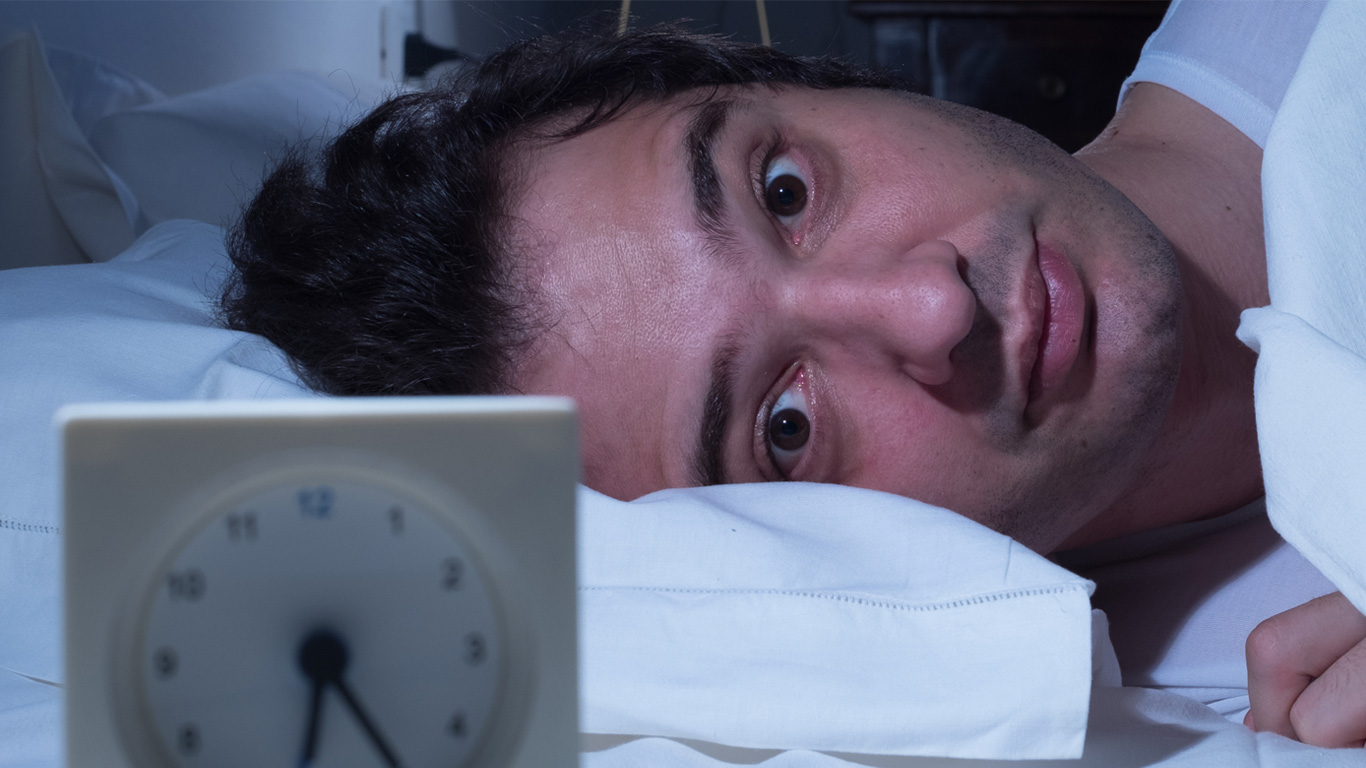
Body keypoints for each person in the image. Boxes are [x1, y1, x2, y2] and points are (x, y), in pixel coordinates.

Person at [220, 1, 1365, 749]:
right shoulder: (1206, 722)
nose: (932, 306)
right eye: (781, 427)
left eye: (783, 193)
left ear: (803, 76)